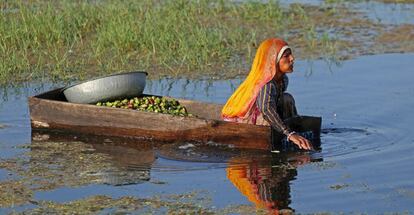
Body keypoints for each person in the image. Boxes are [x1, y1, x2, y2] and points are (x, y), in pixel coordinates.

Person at [221, 38, 313, 150]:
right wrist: (289, 134)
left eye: (291, 55)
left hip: (265, 114)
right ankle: (283, 135)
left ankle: (291, 129)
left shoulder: (283, 80)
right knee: (269, 115)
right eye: (286, 56)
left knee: (287, 98)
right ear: (273, 61)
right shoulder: (267, 85)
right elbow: (266, 110)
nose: (292, 59)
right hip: (248, 123)